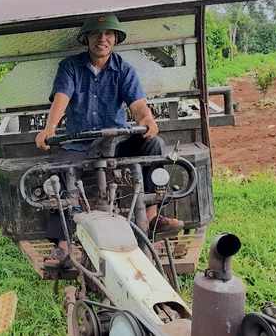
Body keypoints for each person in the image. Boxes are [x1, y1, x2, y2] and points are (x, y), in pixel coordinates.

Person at [35, 14, 183, 268]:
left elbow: (137, 105)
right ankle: (63, 248)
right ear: (86, 39)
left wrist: (147, 119)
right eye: (96, 34)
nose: (102, 39)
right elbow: (62, 97)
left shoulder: (124, 70)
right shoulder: (70, 67)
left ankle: (152, 216)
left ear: (115, 40)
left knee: (154, 145)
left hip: (117, 141)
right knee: (58, 171)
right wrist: (50, 127)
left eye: (108, 35)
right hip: (80, 142)